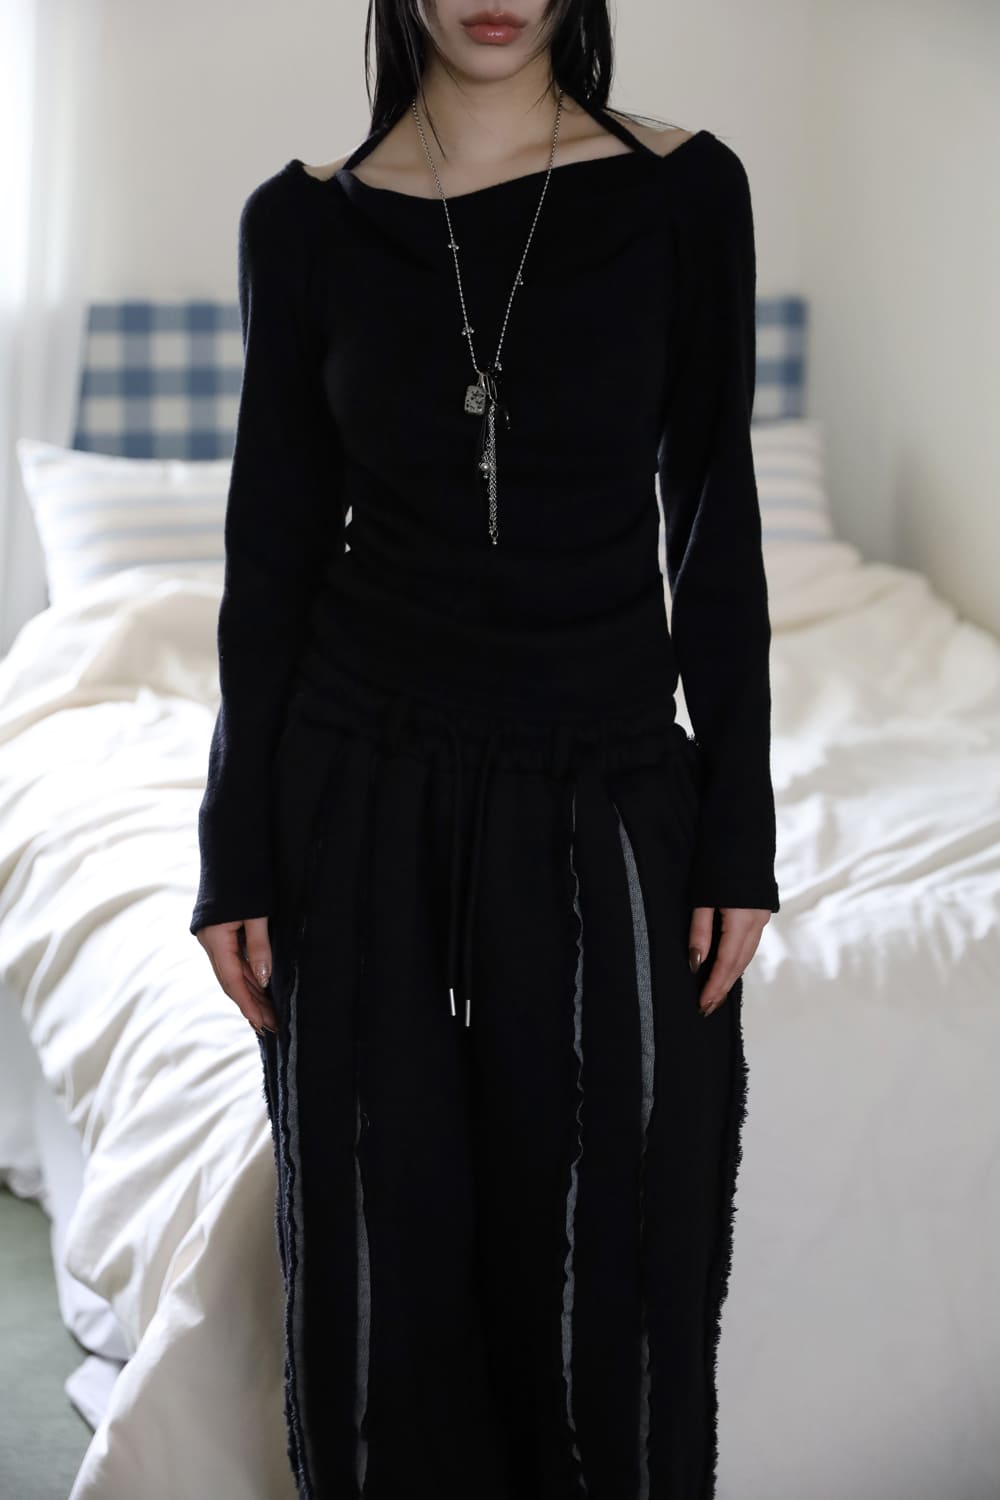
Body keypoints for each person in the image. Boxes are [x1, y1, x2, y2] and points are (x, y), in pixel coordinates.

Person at [190, 2, 780, 1496]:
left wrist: (741, 827)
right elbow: (270, 560)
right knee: (373, 1272)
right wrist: (231, 848)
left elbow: (714, 523)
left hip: (604, 778)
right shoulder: (304, 226)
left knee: (612, 1272)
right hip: (357, 787)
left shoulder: (683, 194)